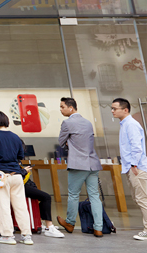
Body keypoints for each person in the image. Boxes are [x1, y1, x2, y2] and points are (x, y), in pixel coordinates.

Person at [56, 97, 103, 237]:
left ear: (71, 108)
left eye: (62, 106)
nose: (61, 109)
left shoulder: (67, 123)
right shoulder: (88, 123)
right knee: (94, 196)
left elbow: (61, 141)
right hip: (92, 163)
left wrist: (68, 144)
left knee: (73, 194)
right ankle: (98, 227)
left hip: (78, 164)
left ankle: (70, 223)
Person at [0, 111, 32, 245]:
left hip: (0, 175)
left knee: (2, 205)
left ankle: (7, 235)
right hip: (16, 175)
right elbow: (20, 155)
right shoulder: (16, 137)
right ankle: (26, 235)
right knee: (21, 206)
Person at [111, 97, 147, 241]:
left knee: (142, 198)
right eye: (112, 109)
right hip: (132, 167)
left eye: (115, 108)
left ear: (125, 110)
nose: (112, 111)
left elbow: (136, 147)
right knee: (139, 198)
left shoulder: (131, 124)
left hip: (136, 168)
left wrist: (133, 165)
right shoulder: (125, 124)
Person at [21, 161, 64, 238]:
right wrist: (24, 171)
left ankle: (39, 222)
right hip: (19, 185)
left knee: (42, 197)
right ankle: (49, 227)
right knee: (46, 197)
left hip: (22, 183)